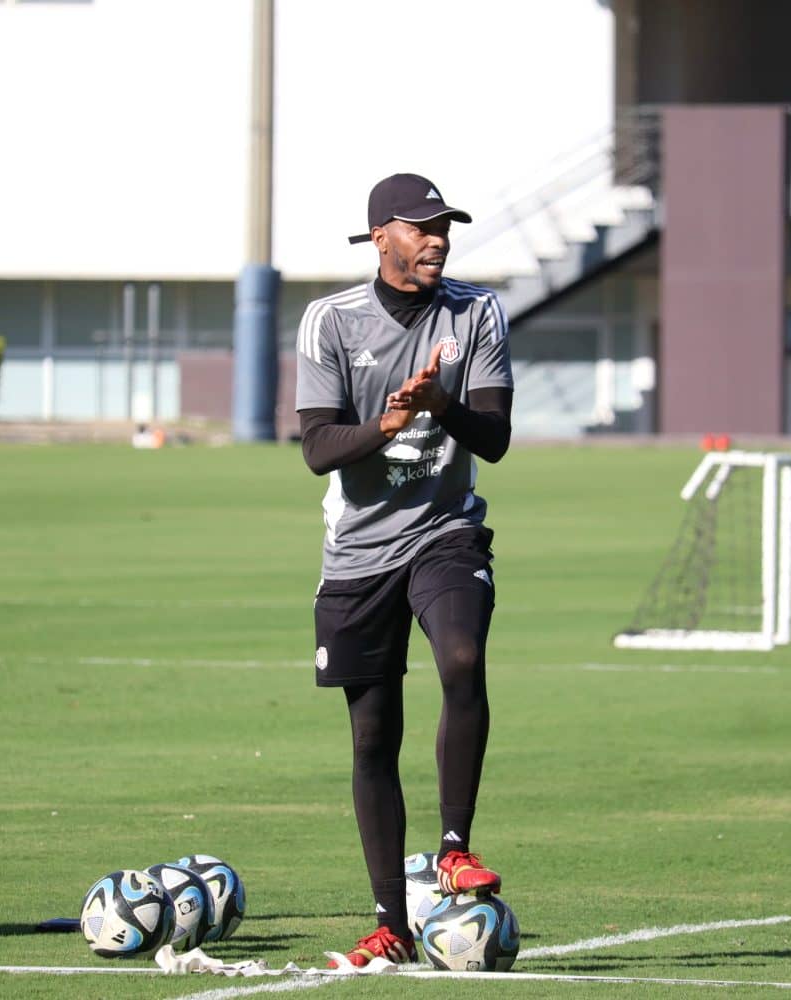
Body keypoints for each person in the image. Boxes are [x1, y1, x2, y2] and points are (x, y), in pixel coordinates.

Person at [294, 173, 515, 968]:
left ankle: (454, 847)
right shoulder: (330, 321)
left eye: (444, 227)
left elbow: (492, 438)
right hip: (357, 553)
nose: (438, 239)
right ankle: (390, 922)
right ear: (380, 236)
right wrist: (385, 423)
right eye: (421, 228)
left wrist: (437, 407)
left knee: (461, 655)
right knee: (370, 737)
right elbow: (317, 447)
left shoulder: (477, 311)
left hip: (445, 531)